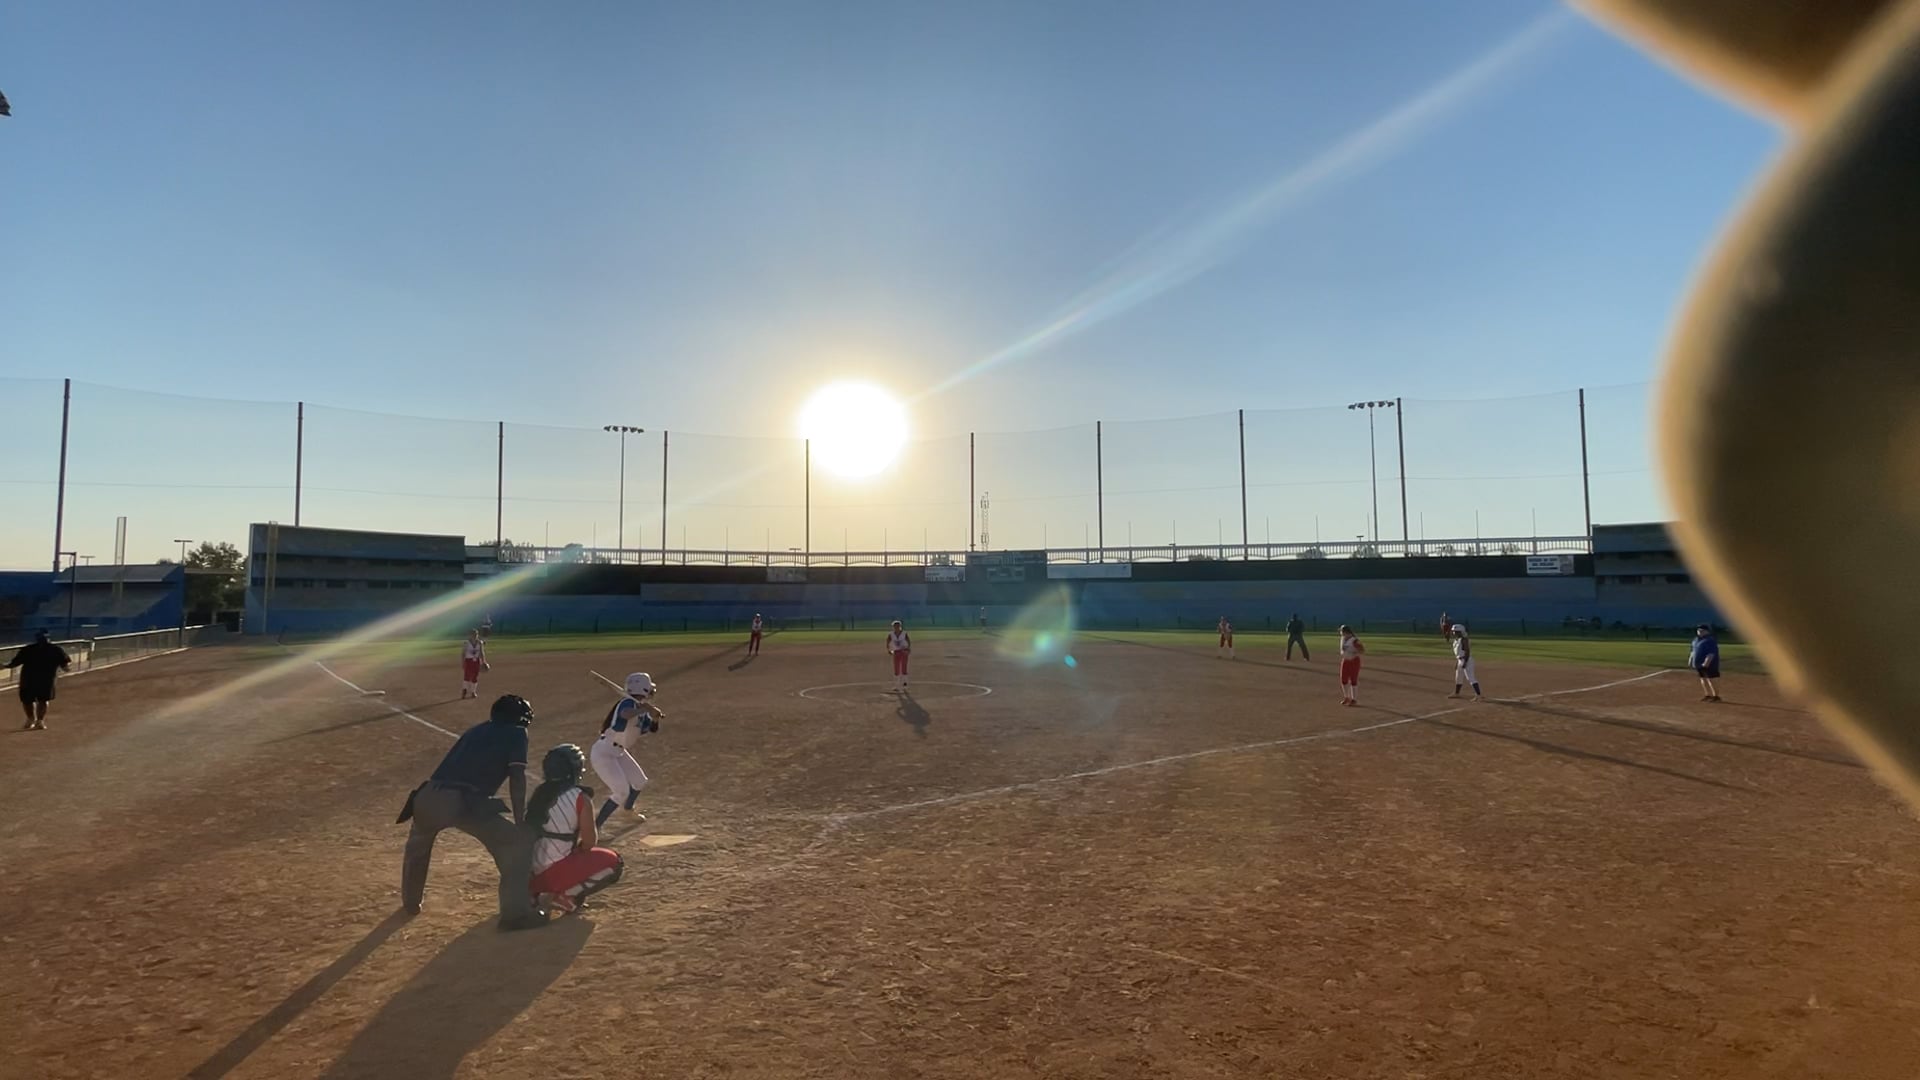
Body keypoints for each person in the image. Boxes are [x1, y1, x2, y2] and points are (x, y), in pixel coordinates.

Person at [396, 693, 545, 930]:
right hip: (462, 800)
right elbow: (517, 778)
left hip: (426, 796)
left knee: (417, 850)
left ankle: (411, 903)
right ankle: (515, 914)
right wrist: (520, 821)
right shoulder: (517, 732)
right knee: (515, 844)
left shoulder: (476, 730)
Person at [528, 744, 624, 914]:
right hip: (554, 875)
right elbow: (589, 842)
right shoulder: (580, 797)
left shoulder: (538, 795)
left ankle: (535, 896)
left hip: (530, 878)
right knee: (614, 862)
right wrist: (576, 852)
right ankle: (564, 897)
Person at [593, 672, 661, 827]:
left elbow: (652, 729)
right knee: (621, 792)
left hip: (619, 751)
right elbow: (625, 714)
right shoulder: (627, 703)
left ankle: (627, 811)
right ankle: (595, 828)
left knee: (639, 782)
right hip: (604, 753)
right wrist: (643, 709)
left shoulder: (639, 708)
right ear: (643, 688)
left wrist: (655, 718)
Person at [6, 630, 71, 731]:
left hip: (36, 679)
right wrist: (66, 668)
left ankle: (37, 720)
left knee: (38, 700)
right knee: (32, 700)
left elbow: (65, 663)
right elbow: (65, 665)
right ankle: (33, 720)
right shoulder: (49, 649)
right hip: (36, 679)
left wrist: (6, 666)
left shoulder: (53, 649)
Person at [1448, 624, 1483, 701]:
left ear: (1461, 632)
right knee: (1458, 678)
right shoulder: (1456, 641)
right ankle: (1457, 693)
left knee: (1470, 678)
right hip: (1460, 660)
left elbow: (1467, 651)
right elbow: (1458, 654)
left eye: (1456, 631)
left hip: (1466, 660)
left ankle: (1478, 695)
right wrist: (1457, 662)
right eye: (1453, 631)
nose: (1454, 633)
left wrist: (1465, 662)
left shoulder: (1464, 640)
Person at [1689, 624, 1722, 702]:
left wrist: (1706, 663)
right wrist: (1690, 660)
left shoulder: (1710, 640)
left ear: (1707, 631)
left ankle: (1716, 696)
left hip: (1710, 664)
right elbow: (1693, 651)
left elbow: (1711, 653)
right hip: (1698, 664)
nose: (1700, 632)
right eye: (1698, 630)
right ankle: (1707, 695)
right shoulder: (1695, 640)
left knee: (1711, 680)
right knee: (1703, 679)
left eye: (1702, 631)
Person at [1338, 625, 1365, 707]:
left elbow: (1362, 650)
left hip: (1354, 661)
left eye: (1341, 631)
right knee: (1343, 679)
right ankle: (1346, 697)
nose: (1340, 633)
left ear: (1346, 632)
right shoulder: (1343, 639)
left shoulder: (1354, 640)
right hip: (1345, 661)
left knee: (1353, 679)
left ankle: (1354, 699)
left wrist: (1355, 652)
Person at [459, 629, 489, 699]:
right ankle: (464, 690)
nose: (475, 636)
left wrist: (484, 661)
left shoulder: (480, 643)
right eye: (473, 634)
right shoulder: (466, 643)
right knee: (467, 676)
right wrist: (463, 663)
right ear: (470, 635)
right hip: (468, 661)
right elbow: (463, 653)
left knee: (475, 677)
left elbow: (482, 652)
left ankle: (473, 692)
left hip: (476, 661)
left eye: (476, 634)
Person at [888, 620, 912, 691]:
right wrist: (889, 650)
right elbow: (888, 641)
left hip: (904, 651)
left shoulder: (904, 633)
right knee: (896, 669)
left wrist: (908, 648)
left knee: (904, 667)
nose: (896, 627)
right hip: (896, 652)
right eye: (895, 626)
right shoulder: (891, 634)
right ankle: (896, 685)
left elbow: (908, 641)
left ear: (900, 626)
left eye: (898, 626)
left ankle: (905, 683)